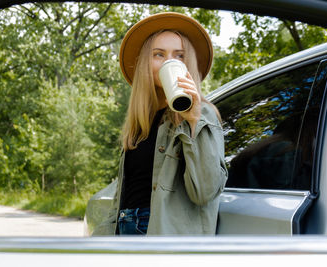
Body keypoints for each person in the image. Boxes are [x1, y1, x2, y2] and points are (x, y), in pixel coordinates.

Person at [93, 12, 227, 235]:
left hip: (162, 237)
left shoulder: (202, 114)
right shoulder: (140, 122)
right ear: (146, 63)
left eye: (179, 55)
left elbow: (205, 191)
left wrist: (193, 120)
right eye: (159, 55)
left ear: (188, 64)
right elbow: (125, 195)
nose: (170, 62)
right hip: (126, 229)